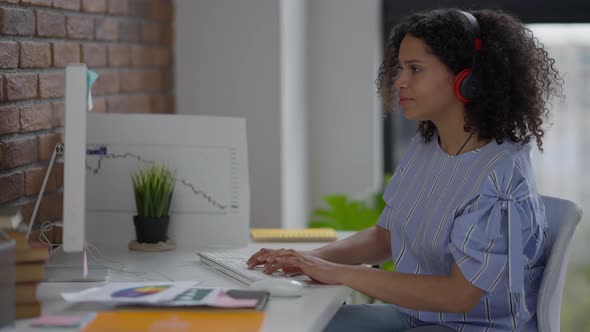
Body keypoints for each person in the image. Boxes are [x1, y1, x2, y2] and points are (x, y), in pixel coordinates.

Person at [246, 8, 562, 332]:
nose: (399, 81)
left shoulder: (501, 174)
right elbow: (386, 237)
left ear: (467, 80)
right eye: (401, 68)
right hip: (416, 319)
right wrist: (307, 261)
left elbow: (461, 295)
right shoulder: (427, 147)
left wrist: (340, 273)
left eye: (415, 69)